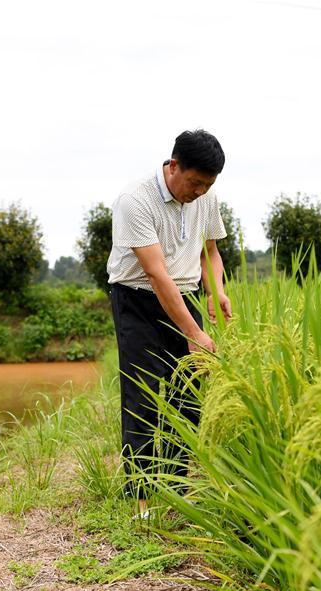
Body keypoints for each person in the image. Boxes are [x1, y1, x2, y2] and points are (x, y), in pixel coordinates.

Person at [106, 129, 232, 516]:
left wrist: (215, 291)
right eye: (195, 183)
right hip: (138, 298)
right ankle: (141, 499)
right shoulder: (135, 200)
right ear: (173, 166)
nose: (199, 192)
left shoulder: (206, 197)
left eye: (207, 185)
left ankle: (176, 487)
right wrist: (193, 333)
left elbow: (210, 251)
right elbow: (156, 275)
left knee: (189, 394)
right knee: (143, 395)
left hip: (185, 295)